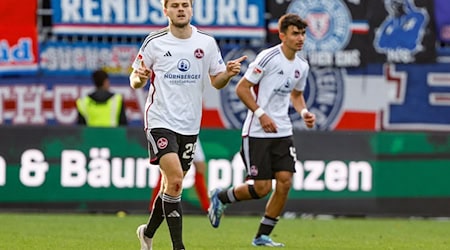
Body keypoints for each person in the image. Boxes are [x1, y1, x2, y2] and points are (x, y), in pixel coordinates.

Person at [129, 0, 246, 249]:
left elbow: (217, 81)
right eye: (175, 5)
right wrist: (138, 79)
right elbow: (135, 78)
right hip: (160, 120)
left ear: (191, 9)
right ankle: (178, 246)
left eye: (185, 4)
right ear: (166, 11)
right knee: (175, 181)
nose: (180, 9)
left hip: (190, 125)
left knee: (171, 186)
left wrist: (228, 74)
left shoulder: (206, 42)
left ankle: (147, 233)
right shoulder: (154, 42)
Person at [208, 13, 316, 247]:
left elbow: (296, 95)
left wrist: (304, 112)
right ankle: (221, 197)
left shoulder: (301, 66)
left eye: (303, 33)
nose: (300, 38)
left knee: (285, 182)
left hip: (283, 131)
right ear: (282, 35)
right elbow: (242, 88)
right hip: (257, 131)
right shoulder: (268, 57)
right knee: (261, 188)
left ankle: (261, 236)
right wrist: (261, 114)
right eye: (295, 33)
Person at [148, 139, 210, 213]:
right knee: (167, 168)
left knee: (200, 167)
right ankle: (154, 207)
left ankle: (207, 207)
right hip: (173, 133)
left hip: (190, 133)